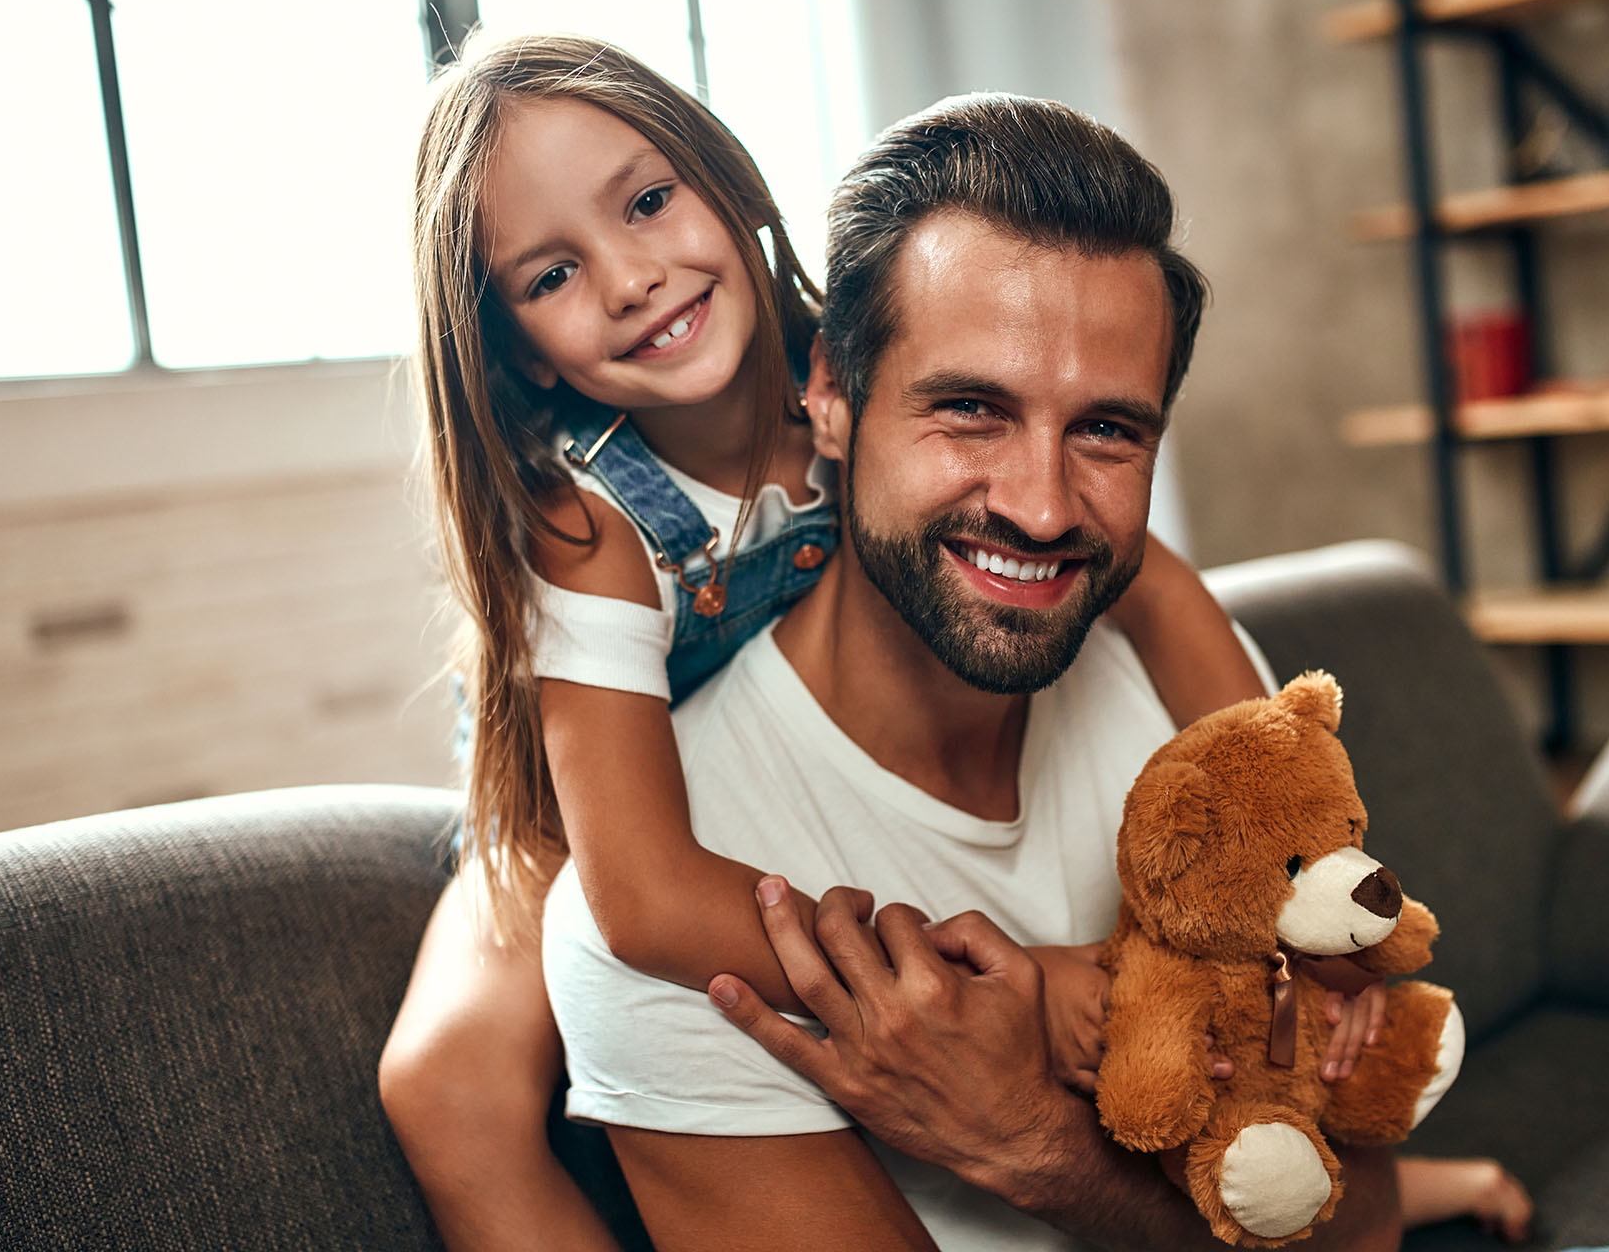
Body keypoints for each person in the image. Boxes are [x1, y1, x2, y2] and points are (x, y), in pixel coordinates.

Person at [376, 32, 1289, 1250]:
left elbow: (1162, 595)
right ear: (514, 351)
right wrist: (996, 980)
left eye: (649, 202)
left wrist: (1286, 850)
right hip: (571, 791)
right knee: (445, 1085)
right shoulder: (584, 527)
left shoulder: (873, 352)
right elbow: (642, 892)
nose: (631, 277)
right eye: (550, 276)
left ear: (733, 183)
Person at [537, 92, 1425, 1249]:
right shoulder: (678, 911)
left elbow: (1367, 1228)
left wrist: (1032, 1148)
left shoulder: (1200, 712)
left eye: (1108, 430)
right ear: (831, 394)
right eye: (970, 408)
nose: (1044, 506)